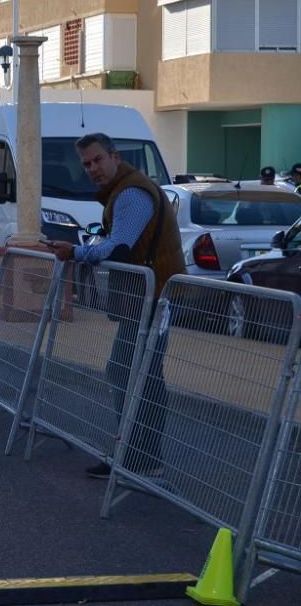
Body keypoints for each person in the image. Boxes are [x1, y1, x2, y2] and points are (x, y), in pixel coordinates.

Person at [47, 133, 184, 480]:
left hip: (154, 298)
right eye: (86, 164)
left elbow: (119, 249)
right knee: (132, 373)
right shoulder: (124, 192)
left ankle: (139, 459)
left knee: (135, 375)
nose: (92, 169)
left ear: (115, 157)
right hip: (148, 298)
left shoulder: (132, 194)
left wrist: (75, 252)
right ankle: (135, 455)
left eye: (97, 160)